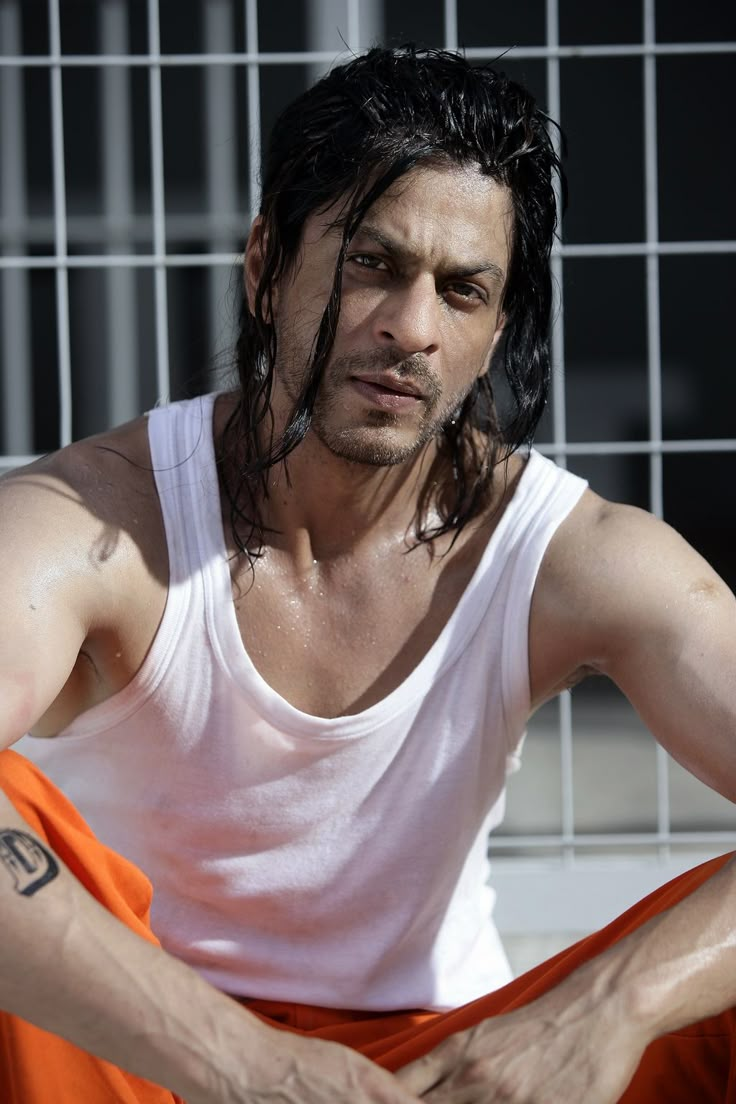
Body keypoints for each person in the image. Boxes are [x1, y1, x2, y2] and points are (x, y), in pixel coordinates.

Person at [0, 44, 734, 1104]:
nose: (411, 328)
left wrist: (606, 1008)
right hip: (136, 1055)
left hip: (443, 1073)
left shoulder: (563, 555)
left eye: (463, 290)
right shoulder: (100, 522)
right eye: (370, 264)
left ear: (492, 335)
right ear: (264, 268)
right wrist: (246, 1066)